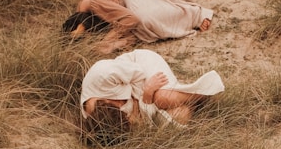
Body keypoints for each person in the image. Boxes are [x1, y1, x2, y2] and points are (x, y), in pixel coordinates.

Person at [80, 49, 224, 137]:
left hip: (142, 64)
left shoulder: (103, 75)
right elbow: (142, 122)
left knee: (162, 98)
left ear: (103, 101)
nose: (122, 103)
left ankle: (206, 93)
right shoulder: (104, 121)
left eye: (116, 102)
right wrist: (145, 100)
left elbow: (139, 74)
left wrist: (148, 94)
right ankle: (193, 104)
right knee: (179, 116)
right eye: (120, 106)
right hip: (145, 97)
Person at [63, 0, 213, 53]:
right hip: (121, 0)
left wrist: (106, 42)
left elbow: (131, 20)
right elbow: (127, 35)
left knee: (144, 18)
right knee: (140, 29)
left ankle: (196, 15)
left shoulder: (94, 5)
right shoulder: (84, 18)